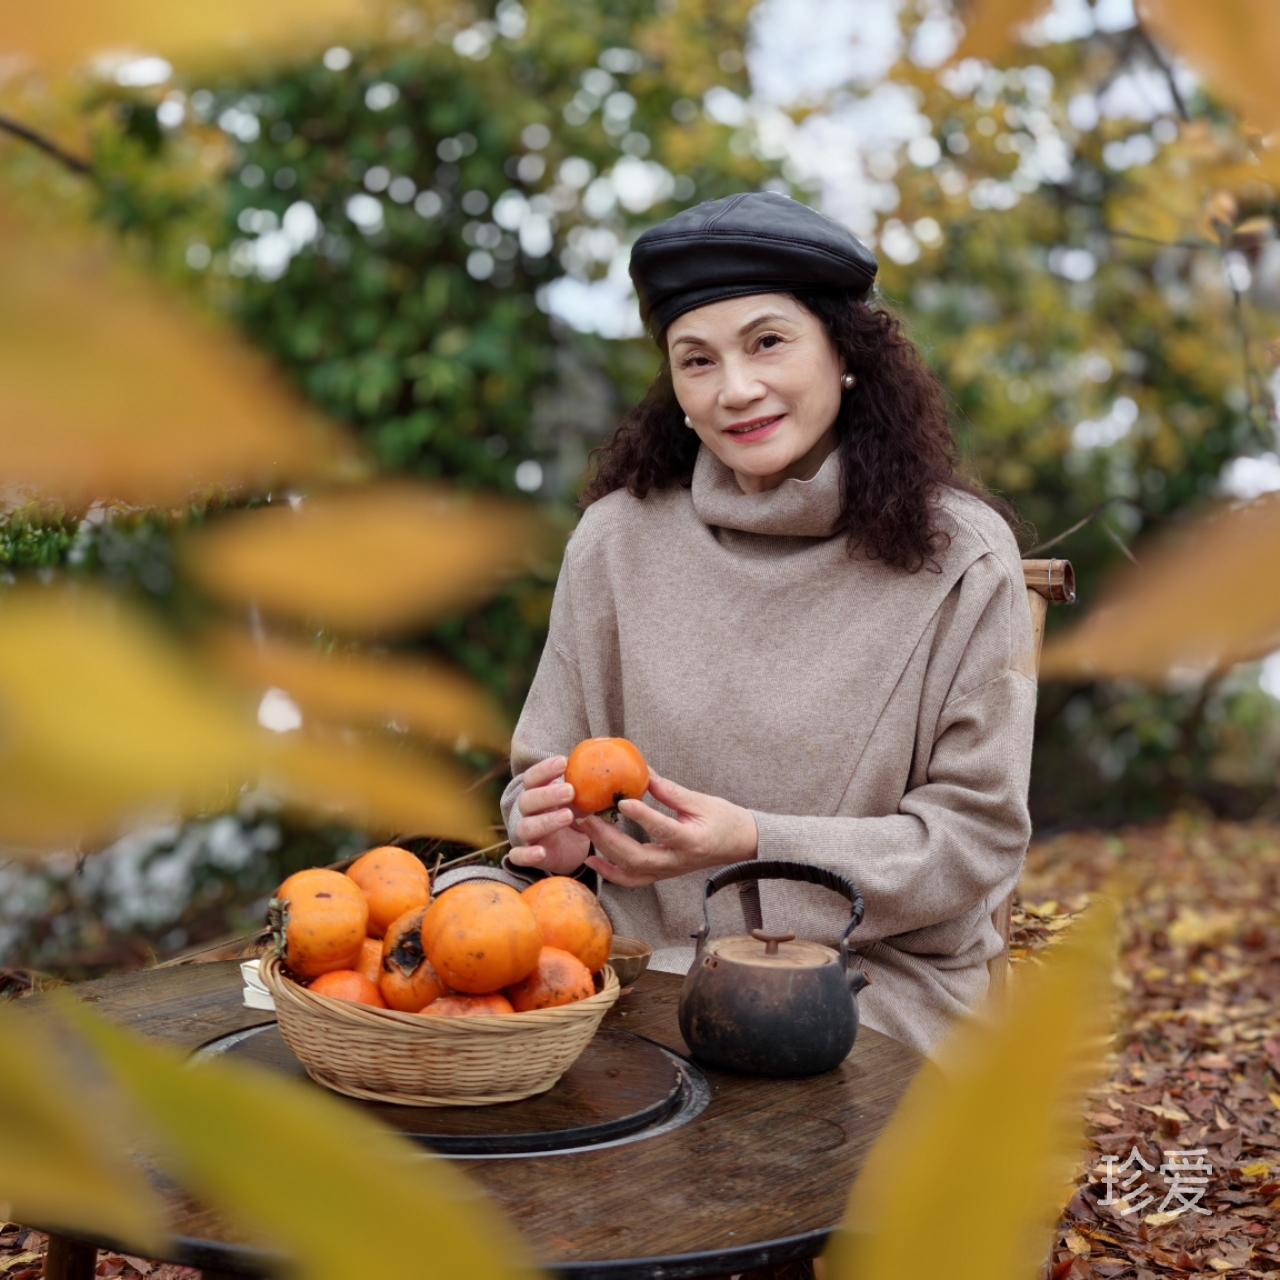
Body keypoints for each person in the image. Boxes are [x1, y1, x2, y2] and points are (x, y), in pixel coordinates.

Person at [437, 190, 1038, 1059]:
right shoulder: (615, 539)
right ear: (676, 388)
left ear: (845, 351)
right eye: (698, 360)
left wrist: (756, 842)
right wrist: (553, 834)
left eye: (768, 342)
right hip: (638, 978)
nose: (737, 389)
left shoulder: (959, 556)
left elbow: (976, 841)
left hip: (871, 994)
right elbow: (545, 772)